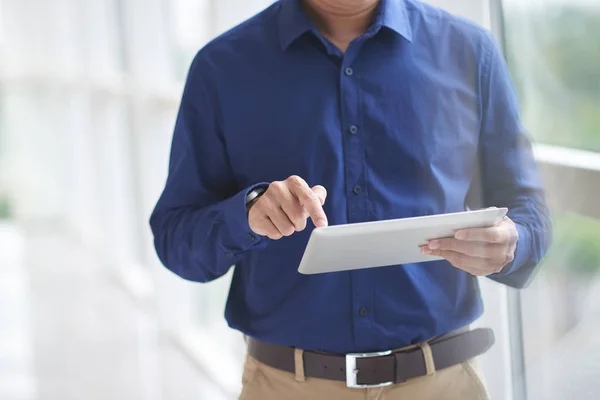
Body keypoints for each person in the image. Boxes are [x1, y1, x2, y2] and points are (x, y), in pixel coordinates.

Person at [150, 0, 552, 398]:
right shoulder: (222, 67)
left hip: (442, 383)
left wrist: (513, 242)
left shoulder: (469, 50)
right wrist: (247, 215)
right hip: (287, 386)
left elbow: (527, 207)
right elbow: (176, 239)